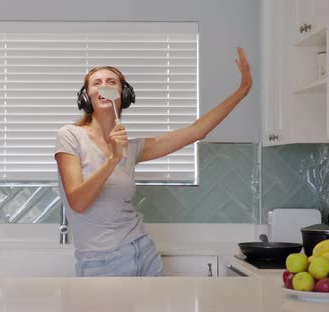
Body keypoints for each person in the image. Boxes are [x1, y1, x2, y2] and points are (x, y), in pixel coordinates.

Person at [54, 47, 252, 277]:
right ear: (86, 96)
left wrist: (243, 90)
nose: (103, 85)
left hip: (143, 251)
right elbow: (77, 201)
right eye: (96, 83)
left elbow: (197, 131)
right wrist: (113, 159)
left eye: (111, 81)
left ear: (123, 95)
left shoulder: (132, 148)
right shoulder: (70, 135)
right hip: (101, 261)